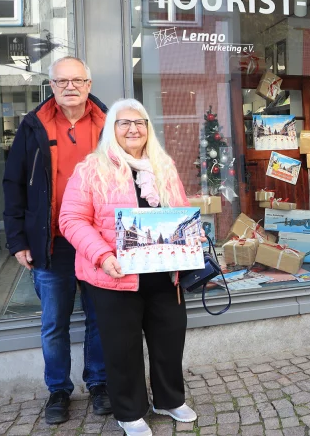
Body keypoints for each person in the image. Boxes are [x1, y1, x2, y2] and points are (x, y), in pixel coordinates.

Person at [59, 99, 200, 435]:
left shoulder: (163, 166)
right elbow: (71, 219)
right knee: (122, 348)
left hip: (165, 275)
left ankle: (168, 400)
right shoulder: (92, 169)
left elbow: (179, 211)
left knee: (169, 340)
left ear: (148, 128)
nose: (133, 128)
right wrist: (102, 256)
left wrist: (190, 240)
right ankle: (129, 410)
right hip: (115, 276)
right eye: (123, 123)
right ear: (112, 129)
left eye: (140, 122)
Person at [2, 56, 110, 424]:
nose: (70, 87)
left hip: (100, 242)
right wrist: (17, 240)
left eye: (77, 80)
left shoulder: (109, 124)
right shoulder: (33, 127)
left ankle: (99, 383)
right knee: (53, 323)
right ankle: (58, 391)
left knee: (100, 319)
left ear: (89, 85)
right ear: (51, 86)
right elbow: (13, 185)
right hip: (52, 242)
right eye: (62, 81)